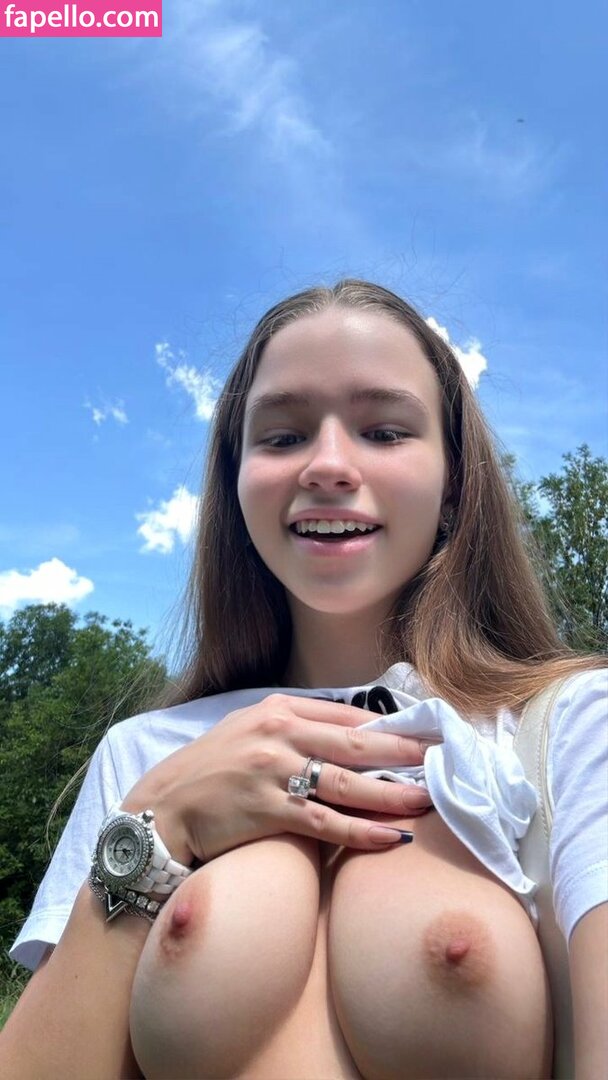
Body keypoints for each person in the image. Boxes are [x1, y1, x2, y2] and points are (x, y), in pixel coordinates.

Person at [1, 280, 606, 1079]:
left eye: (384, 430)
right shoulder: (141, 756)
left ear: (455, 479)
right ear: (236, 483)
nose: (327, 465)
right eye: (282, 437)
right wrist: (160, 825)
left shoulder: (571, 727)